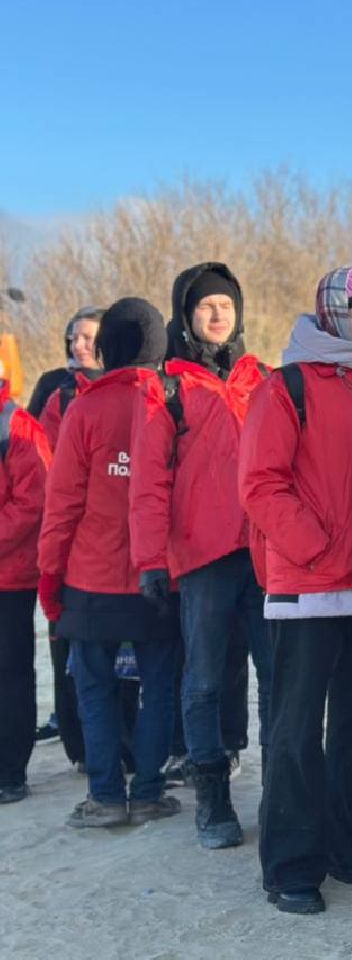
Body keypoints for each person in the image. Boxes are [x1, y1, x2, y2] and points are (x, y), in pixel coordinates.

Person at [239, 265, 352, 915]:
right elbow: (261, 483)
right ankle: (291, 866)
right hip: (309, 589)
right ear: (328, 314)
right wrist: (319, 548)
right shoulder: (286, 387)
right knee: (294, 730)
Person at [128, 262, 273, 849]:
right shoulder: (166, 387)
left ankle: (283, 793)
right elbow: (147, 482)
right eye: (206, 305)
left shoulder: (261, 377)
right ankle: (212, 798)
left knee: (279, 677)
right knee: (206, 681)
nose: (218, 315)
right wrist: (150, 559)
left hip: (266, 555)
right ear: (186, 315)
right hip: (204, 558)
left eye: (227, 306)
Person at [37, 298, 182, 829]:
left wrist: (49, 580)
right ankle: (147, 790)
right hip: (161, 577)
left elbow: (63, 506)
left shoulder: (85, 409)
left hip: (90, 579)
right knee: (158, 688)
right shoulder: (175, 404)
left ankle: (104, 795)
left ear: (107, 347)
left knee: (94, 690)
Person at [29, 305, 104, 759]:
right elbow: (40, 458)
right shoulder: (56, 389)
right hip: (67, 530)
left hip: (114, 535)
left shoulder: (136, 385)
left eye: (89, 337)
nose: (79, 346)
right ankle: (74, 733)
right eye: (73, 337)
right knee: (66, 645)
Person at [0, 358, 51, 804]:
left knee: (10, 673)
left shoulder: (18, 427)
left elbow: (30, 504)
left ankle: (9, 770)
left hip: (9, 578)